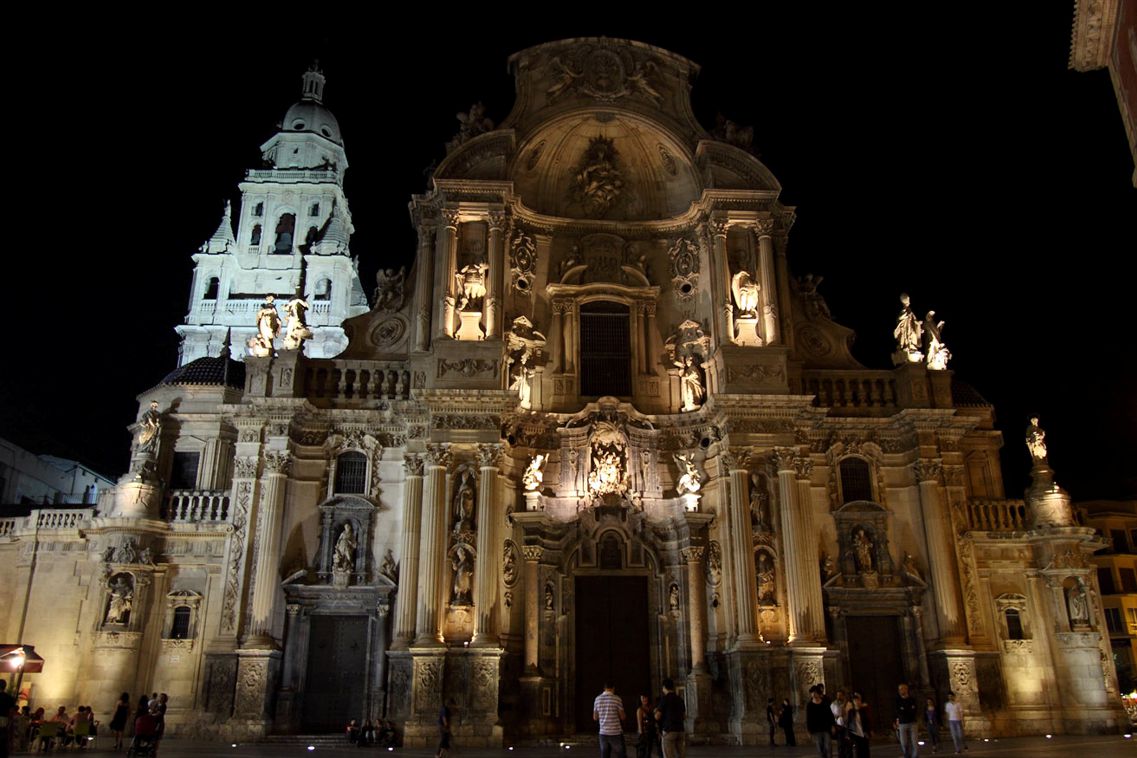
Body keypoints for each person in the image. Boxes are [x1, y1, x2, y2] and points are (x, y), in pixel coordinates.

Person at [653, 677, 686, 758]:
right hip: (680, 730)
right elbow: (684, 716)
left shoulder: (665, 699)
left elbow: (657, 717)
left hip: (669, 730)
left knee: (669, 755)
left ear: (664, 687)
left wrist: (655, 712)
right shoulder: (680, 699)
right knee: (681, 755)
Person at [593, 681, 626, 758]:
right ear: (613, 688)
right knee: (621, 754)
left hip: (603, 732)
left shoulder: (597, 699)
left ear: (604, 688)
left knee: (605, 755)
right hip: (615, 732)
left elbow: (595, 717)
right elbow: (622, 717)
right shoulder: (617, 699)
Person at [806, 685, 835, 758]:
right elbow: (808, 718)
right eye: (812, 693)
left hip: (826, 728)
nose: (813, 694)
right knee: (820, 747)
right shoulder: (810, 705)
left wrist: (832, 725)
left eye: (815, 692)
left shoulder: (825, 703)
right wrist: (809, 730)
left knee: (828, 746)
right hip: (816, 730)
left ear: (818, 693)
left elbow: (830, 715)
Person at [894, 682, 918, 758]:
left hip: (912, 722)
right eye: (899, 689)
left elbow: (914, 711)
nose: (901, 690)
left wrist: (904, 710)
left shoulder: (912, 700)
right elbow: (898, 712)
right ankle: (907, 755)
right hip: (902, 723)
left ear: (906, 689)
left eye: (902, 689)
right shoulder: (897, 701)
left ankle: (915, 755)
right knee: (903, 742)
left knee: (914, 741)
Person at [845, 692, 873, 758]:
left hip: (864, 734)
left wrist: (869, 731)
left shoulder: (863, 710)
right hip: (855, 734)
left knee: (865, 752)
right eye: (855, 700)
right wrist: (848, 734)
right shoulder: (851, 712)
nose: (856, 702)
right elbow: (848, 723)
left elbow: (867, 722)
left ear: (860, 701)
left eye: (858, 700)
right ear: (853, 702)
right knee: (858, 752)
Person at [635, 693, 658, 758]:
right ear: (640, 699)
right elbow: (639, 724)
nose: (645, 699)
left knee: (649, 751)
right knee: (642, 752)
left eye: (646, 697)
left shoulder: (651, 707)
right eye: (643, 698)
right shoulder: (640, 710)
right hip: (644, 734)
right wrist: (641, 735)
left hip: (651, 732)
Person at [831, 689, 851, 758]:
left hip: (847, 726)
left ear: (843, 696)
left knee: (848, 744)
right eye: (837, 695)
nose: (839, 697)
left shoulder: (848, 704)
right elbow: (831, 715)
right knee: (840, 744)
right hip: (839, 726)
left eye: (840, 695)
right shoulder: (833, 704)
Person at [0, 680, 15, 758]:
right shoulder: (9, 698)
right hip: (4, 721)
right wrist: (9, 723)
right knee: (2, 742)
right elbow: (11, 712)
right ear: (5, 686)